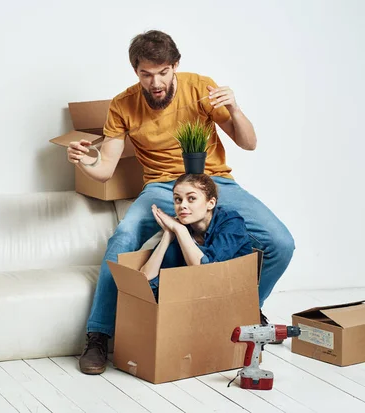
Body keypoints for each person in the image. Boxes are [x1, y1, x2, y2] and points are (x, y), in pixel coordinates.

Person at [67, 30, 295, 375]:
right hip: (161, 187)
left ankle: (245, 314)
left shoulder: (200, 88)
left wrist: (234, 107)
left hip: (214, 181)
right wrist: (84, 161)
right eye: (146, 74)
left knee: (280, 242)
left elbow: (248, 143)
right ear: (136, 72)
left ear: (175, 66)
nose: (155, 82)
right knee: (124, 237)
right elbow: (105, 170)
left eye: (162, 72)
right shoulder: (124, 104)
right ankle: (98, 335)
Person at [140, 174, 252, 302]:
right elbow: (145, 279)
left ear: (211, 203)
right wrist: (168, 234)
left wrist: (180, 231)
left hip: (229, 302)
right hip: (192, 303)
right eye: (178, 199)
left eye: (191, 198)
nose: (182, 205)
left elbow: (205, 273)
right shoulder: (179, 226)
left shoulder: (231, 223)